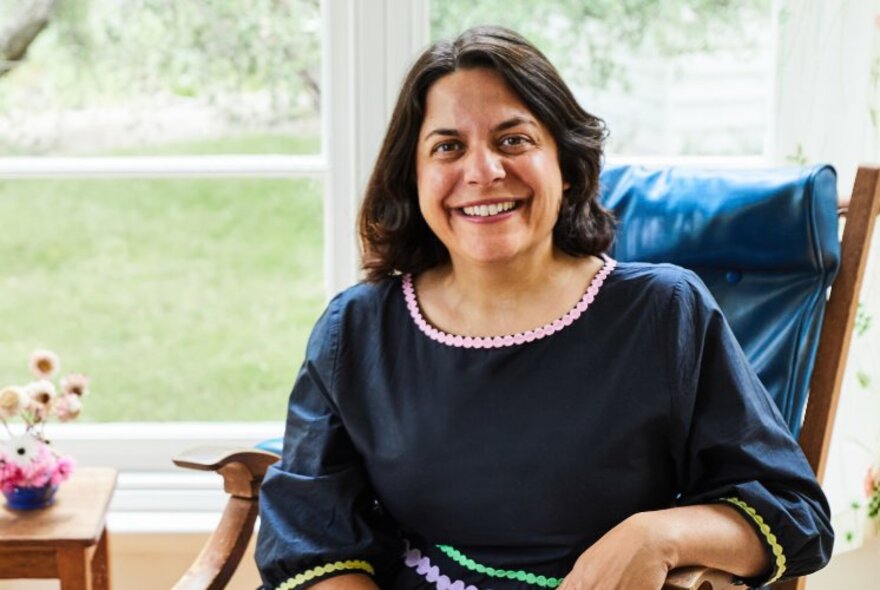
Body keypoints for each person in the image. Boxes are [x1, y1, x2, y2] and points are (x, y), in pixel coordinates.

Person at [256, 25, 833, 590]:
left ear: (567, 161)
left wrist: (657, 535)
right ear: (413, 175)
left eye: (513, 140)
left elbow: (795, 513)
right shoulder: (356, 328)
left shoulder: (664, 311)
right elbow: (311, 531)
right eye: (448, 146)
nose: (482, 172)